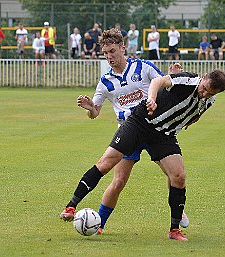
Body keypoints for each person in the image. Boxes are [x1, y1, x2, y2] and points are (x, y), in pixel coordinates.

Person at [61, 65, 225, 241]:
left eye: (209, 93)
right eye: (204, 88)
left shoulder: (209, 100)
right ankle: (71, 206)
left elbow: (196, 112)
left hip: (164, 134)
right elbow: (158, 81)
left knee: (178, 176)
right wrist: (152, 99)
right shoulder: (186, 80)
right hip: (140, 123)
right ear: (202, 78)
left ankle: (174, 230)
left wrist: (189, 120)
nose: (204, 94)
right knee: (106, 164)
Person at [73, 28, 189, 235]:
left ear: (122, 48)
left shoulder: (143, 67)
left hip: (155, 127)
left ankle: (178, 212)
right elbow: (96, 113)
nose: (109, 56)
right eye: (106, 53)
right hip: (129, 131)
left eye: (112, 51)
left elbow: (164, 84)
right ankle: (99, 225)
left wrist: (173, 76)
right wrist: (91, 108)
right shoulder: (105, 82)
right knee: (118, 181)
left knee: (174, 174)